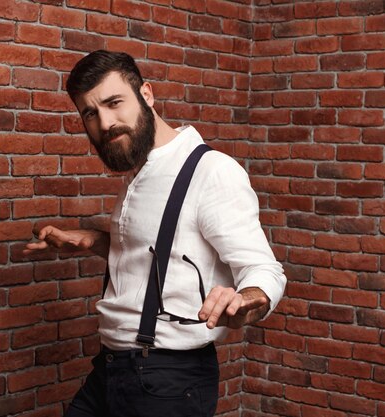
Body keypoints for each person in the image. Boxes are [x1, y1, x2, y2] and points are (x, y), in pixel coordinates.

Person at [24, 50, 287, 417]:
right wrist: (96, 240)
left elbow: (264, 269)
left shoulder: (210, 172)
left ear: (146, 94)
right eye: (90, 113)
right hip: (112, 369)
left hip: (168, 381)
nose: (106, 123)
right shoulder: (137, 171)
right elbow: (162, 254)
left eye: (115, 103)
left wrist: (247, 299)